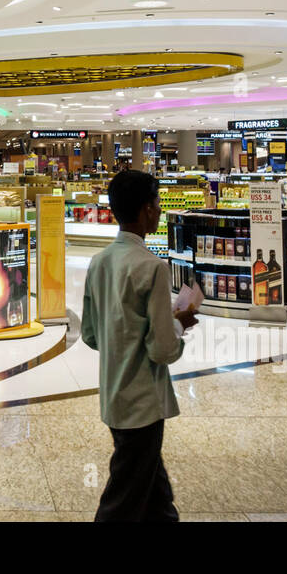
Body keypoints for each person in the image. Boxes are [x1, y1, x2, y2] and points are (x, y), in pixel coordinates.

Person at [81, 169, 199, 522]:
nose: (160, 210)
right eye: (158, 204)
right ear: (146, 210)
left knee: (156, 492)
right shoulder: (152, 267)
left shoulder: (99, 262)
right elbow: (162, 349)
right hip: (143, 402)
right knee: (123, 499)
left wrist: (120, 335)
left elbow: (90, 334)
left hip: (114, 396)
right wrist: (179, 324)